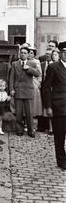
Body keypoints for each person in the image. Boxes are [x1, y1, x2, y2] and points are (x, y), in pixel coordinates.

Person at [42, 41, 66, 169]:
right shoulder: (54, 67)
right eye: (65, 52)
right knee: (60, 136)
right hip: (59, 107)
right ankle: (61, 161)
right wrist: (48, 107)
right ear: (60, 53)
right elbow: (46, 88)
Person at [9, 46, 40, 137]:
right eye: (21, 52)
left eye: (25, 53)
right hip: (18, 90)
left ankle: (31, 130)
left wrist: (28, 69)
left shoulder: (32, 63)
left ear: (28, 54)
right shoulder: (15, 64)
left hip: (28, 91)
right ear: (19, 54)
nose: (23, 54)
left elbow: (38, 73)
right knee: (18, 112)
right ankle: (19, 130)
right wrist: (11, 89)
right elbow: (11, 78)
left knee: (29, 113)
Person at [26, 46, 43, 128]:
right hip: (25, 82)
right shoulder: (24, 61)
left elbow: (39, 73)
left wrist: (39, 83)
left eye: (32, 53)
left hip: (34, 82)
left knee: (34, 102)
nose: (29, 54)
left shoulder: (36, 61)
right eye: (28, 52)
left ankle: (33, 123)